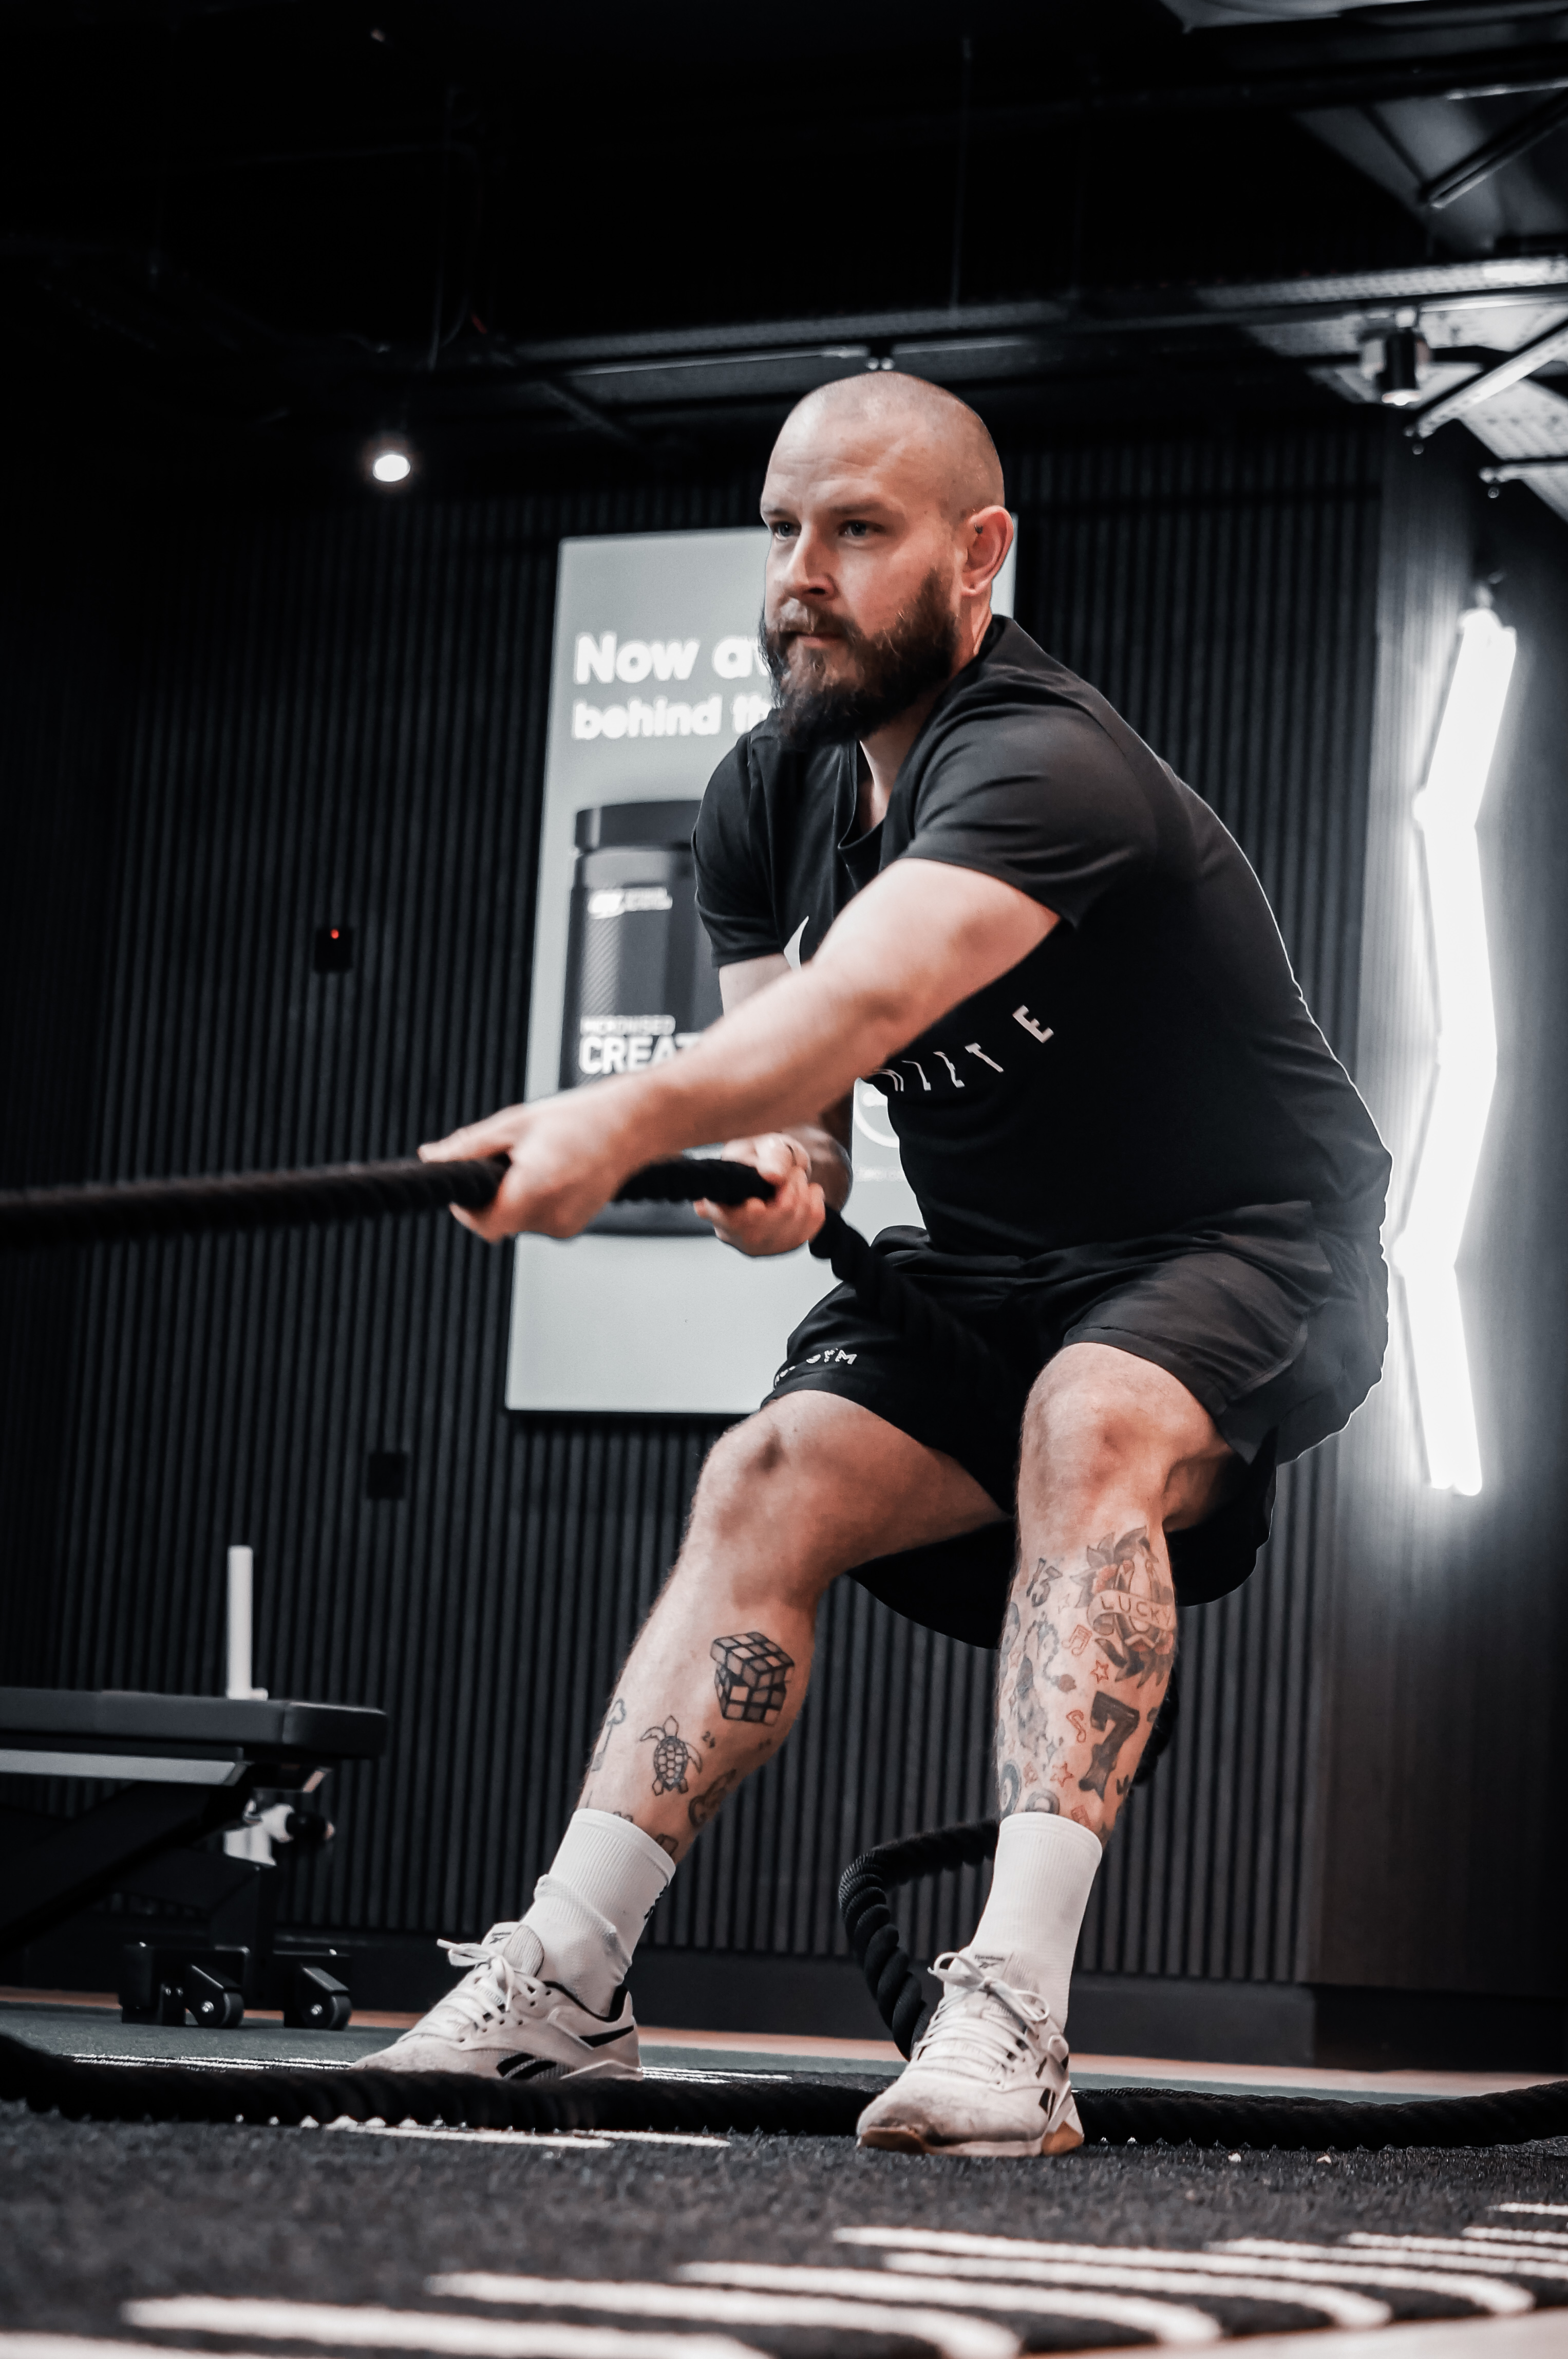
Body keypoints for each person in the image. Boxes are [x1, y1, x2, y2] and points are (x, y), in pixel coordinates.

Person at [362, 372, 1389, 2156]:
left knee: (1091, 1416)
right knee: (766, 1473)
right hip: (993, 1263)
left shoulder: (1045, 761)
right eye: (781, 531)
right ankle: (568, 1980)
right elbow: (813, 1102)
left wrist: (612, 1120)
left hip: (1245, 1245)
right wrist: (785, 1165)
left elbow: (866, 997)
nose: (800, 576)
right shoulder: (764, 794)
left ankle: (1014, 2017)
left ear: (980, 556)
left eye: (857, 531)